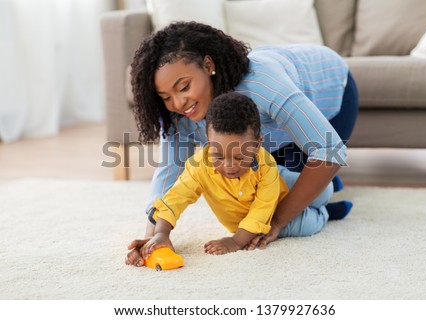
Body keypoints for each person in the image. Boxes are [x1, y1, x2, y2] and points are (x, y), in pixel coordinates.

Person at [125, 21, 358, 266]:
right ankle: (317, 180)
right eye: (165, 97)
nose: (178, 103)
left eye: (184, 87)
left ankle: (327, 186)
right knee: (259, 185)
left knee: (302, 188)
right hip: (263, 141)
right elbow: (169, 174)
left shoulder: (262, 84)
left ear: (208, 66)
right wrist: (151, 238)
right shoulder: (177, 115)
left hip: (329, 91)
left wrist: (275, 222)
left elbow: (329, 149)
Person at [126, 92, 334, 262]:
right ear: (208, 141)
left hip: (273, 185)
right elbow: (175, 198)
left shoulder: (266, 165)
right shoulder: (198, 166)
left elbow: (263, 205)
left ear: (257, 144)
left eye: (239, 156)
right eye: (218, 155)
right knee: (309, 224)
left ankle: (321, 198)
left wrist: (234, 243)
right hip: (258, 218)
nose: (229, 166)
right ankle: (326, 213)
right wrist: (161, 233)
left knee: (325, 189)